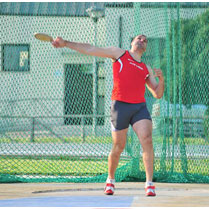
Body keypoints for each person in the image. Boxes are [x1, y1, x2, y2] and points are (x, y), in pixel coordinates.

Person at [52, 34, 164, 197]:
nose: (142, 41)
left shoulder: (146, 68)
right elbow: (91, 49)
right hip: (120, 105)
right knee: (119, 146)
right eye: (139, 38)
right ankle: (110, 180)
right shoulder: (118, 53)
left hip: (139, 107)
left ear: (145, 48)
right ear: (132, 42)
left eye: (145, 40)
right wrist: (66, 44)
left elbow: (157, 94)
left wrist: (161, 79)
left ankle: (149, 184)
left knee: (147, 139)